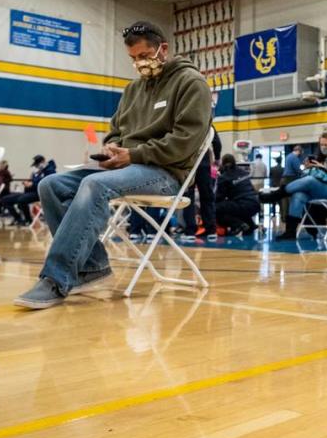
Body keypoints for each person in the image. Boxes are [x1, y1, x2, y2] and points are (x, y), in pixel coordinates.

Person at [13, 20, 212, 309]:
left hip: (168, 173)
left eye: (144, 56)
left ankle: (56, 279)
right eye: (133, 59)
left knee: (94, 184)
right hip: (126, 167)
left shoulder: (191, 83)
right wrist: (112, 146)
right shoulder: (133, 89)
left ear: (163, 49)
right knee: (50, 185)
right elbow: (116, 130)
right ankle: (92, 265)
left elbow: (185, 142)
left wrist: (133, 155)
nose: (139, 63)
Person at [261, 132, 327, 239]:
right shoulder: (318, 157)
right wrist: (308, 168)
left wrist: (324, 169)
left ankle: (277, 194)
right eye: (321, 145)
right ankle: (290, 232)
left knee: (310, 180)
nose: (323, 147)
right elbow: (307, 173)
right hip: (315, 189)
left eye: (326, 145)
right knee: (299, 194)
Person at [211, 154, 261, 235]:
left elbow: (219, 198)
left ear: (222, 164)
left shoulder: (224, 177)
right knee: (235, 206)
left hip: (242, 204)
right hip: (256, 204)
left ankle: (239, 224)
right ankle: (251, 225)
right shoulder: (244, 173)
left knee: (215, 208)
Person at [0, 155, 55, 225]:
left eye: (37, 164)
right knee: (5, 199)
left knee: (22, 200)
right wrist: (28, 182)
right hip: (30, 192)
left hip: (40, 193)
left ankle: (28, 220)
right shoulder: (39, 171)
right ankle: (18, 219)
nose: (36, 166)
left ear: (43, 162)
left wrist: (32, 184)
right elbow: (35, 181)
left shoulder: (50, 171)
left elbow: (45, 183)